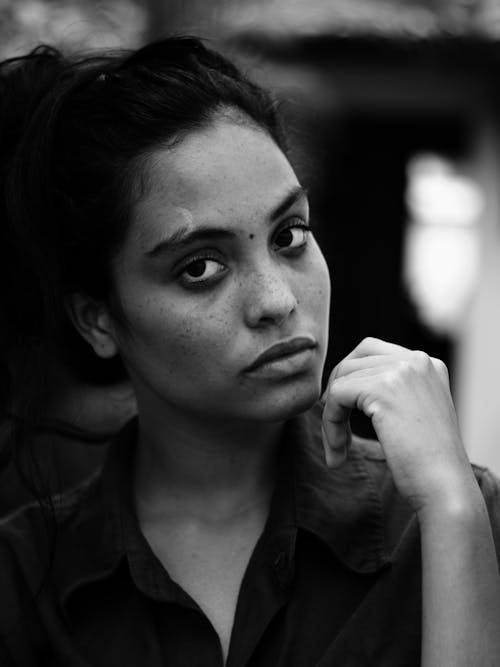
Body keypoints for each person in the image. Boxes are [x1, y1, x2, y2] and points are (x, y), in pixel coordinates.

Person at [0, 36, 499, 667]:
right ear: (98, 319)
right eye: (201, 266)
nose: (276, 300)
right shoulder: (24, 582)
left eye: (290, 234)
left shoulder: (447, 518)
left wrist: (454, 510)